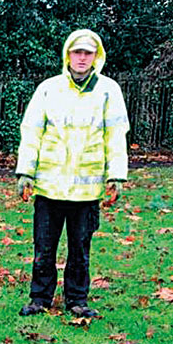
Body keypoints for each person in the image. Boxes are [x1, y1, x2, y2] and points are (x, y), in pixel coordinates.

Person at [16, 29, 130, 319]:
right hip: (48, 188)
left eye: (87, 53)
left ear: (96, 56)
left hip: (87, 191)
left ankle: (77, 300)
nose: (82, 58)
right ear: (68, 54)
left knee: (80, 249)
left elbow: (116, 135)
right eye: (77, 52)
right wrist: (25, 172)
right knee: (44, 248)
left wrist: (116, 175)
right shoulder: (48, 88)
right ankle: (39, 298)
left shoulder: (108, 90)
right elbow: (32, 131)